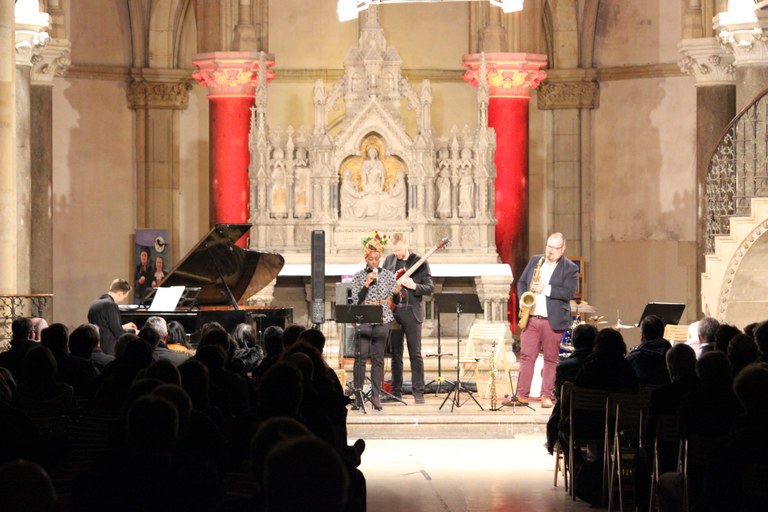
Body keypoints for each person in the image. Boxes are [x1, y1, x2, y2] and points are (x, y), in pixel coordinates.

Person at [516, 232, 579, 408]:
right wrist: (523, 298)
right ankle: (522, 394)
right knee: (527, 356)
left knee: (551, 359)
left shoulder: (570, 268)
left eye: (555, 248)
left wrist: (546, 288)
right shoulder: (536, 260)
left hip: (553, 319)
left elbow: (569, 293)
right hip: (532, 317)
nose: (550, 251)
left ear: (563, 249)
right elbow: (522, 283)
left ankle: (547, 395)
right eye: (548, 246)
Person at [350, 231, 400, 410]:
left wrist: (396, 295)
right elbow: (357, 299)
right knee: (361, 357)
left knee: (378, 358)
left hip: (382, 317)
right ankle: (358, 395)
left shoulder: (387, 275)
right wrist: (367, 283)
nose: (374, 262)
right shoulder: (358, 276)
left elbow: (396, 301)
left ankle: (376, 396)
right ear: (366, 258)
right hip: (364, 317)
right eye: (371, 259)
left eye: (377, 258)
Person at [382, 233, 433, 404]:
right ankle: (396, 391)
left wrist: (414, 286)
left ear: (405, 244)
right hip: (394, 312)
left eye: (399, 250)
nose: (396, 253)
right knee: (396, 353)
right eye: (394, 250)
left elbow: (429, 287)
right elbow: (383, 283)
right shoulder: (389, 261)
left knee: (415, 353)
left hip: (411, 312)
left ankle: (418, 392)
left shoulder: (419, 261)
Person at [87, 278, 137, 356]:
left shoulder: (95, 302)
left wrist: (123, 326)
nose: (123, 299)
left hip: (95, 348)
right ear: (120, 294)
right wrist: (134, 332)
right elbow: (119, 333)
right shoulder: (111, 305)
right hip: (109, 351)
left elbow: (104, 327)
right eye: (124, 297)